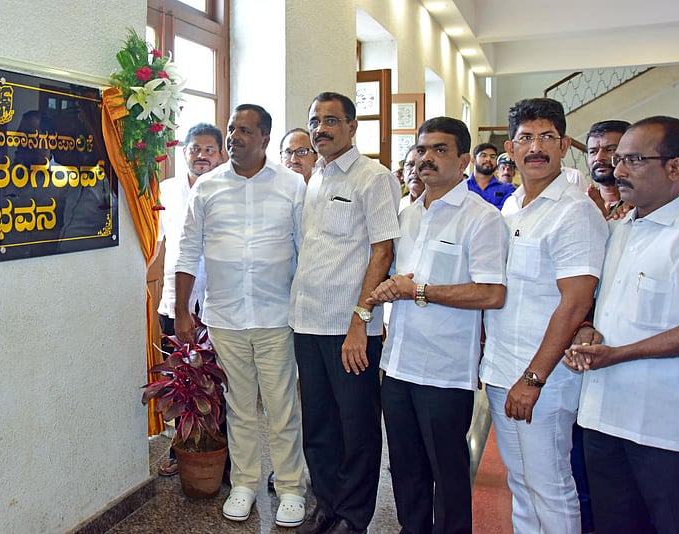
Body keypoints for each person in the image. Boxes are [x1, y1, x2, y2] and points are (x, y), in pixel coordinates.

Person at [564, 116, 679, 534]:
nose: (617, 170)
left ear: (676, 168)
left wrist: (620, 354)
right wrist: (586, 330)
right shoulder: (618, 230)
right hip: (603, 418)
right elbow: (605, 307)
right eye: (617, 158)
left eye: (634, 160)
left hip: (667, 429)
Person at [367, 116, 508, 534]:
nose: (427, 158)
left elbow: (491, 293)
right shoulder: (406, 215)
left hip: (445, 372)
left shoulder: (481, 219)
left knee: (447, 476)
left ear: (464, 159)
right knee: (405, 470)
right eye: (422, 150)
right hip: (397, 366)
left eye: (440, 150)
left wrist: (420, 291)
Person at [174, 104, 308, 528]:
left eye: (244, 131)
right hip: (225, 318)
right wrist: (181, 310)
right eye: (232, 129)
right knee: (238, 407)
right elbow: (187, 250)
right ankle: (245, 484)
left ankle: (289, 488)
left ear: (265, 138)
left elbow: (305, 251)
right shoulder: (208, 187)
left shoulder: (292, 186)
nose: (234, 137)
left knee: (282, 408)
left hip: (275, 318)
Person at [479, 97, 608, 534]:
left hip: (543, 379)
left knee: (550, 486)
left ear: (564, 144)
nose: (536, 147)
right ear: (510, 149)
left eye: (546, 138)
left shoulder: (574, 212)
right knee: (521, 483)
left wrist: (533, 379)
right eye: (525, 138)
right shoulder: (512, 204)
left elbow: (574, 304)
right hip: (502, 368)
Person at [289, 92, 400, 534]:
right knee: (318, 425)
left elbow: (383, 251)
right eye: (315, 120)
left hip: (349, 327)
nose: (321, 128)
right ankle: (329, 506)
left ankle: (354, 517)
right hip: (307, 321)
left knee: (356, 429)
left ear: (353, 127)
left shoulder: (373, 178)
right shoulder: (313, 179)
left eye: (331, 120)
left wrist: (360, 321)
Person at [154, 123, 224, 476]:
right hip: (174, 299)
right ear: (184, 152)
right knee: (180, 379)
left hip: (216, 300)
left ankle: (219, 450)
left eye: (210, 149)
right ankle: (179, 445)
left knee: (216, 379)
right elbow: (158, 244)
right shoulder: (166, 191)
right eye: (195, 149)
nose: (202, 156)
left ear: (221, 154)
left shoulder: (229, 190)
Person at [585, 120, 631, 219]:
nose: (599, 158)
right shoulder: (583, 205)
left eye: (610, 150)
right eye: (593, 152)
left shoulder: (646, 202)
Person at [466, 142, 515, 210]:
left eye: (493, 156)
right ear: (473, 160)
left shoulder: (508, 189)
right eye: (484, 155)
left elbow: (507, 212)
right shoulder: (463, 187)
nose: (488, 159)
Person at [399, 146, 424, 212]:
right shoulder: (398, 206)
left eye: (421, 165)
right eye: (410, 165)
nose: (414, 171)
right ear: (403, 172)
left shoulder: (442, 207)